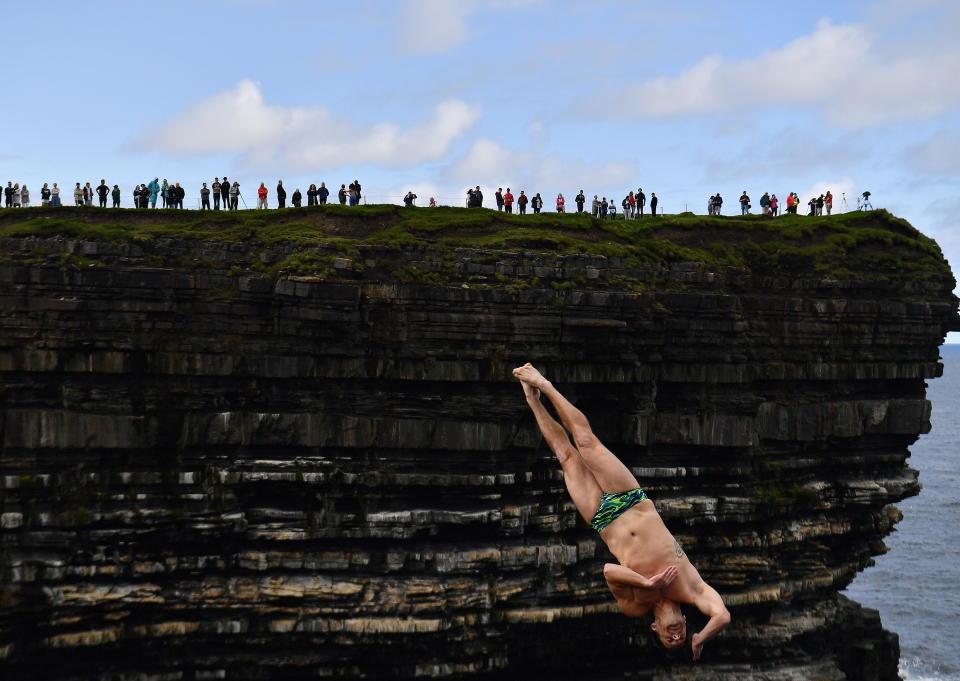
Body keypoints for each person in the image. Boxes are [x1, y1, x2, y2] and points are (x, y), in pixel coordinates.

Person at [513, 363, 730, 659]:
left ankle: (532, 398)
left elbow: (609, 571)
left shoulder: (636, 605)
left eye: (670, 641)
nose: (676, 636)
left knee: (566, 456)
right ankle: (545, 384)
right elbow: (722, 616)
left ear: (655, 629)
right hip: (630, 500)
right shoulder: (692, 589)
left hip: (603, 518)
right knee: (587, 443)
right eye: (680, 637)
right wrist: (700, 638)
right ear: (686, 625)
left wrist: (646, 582)